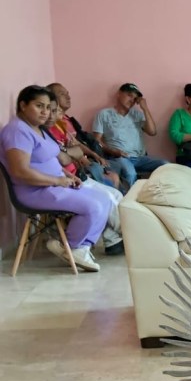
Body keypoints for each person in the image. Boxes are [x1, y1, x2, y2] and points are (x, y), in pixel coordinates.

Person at [1, 86, 112, 272]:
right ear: (23, 105)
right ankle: (71, 245)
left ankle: (80, 247)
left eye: (47, 107)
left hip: (55, 184)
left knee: (105, 199)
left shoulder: (38, 128)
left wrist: (68, 175)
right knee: (93, 206)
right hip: (34, 191)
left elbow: (49, 159)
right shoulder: (17, 131)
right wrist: (58, 181)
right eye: (39, 106)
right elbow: (20, 171)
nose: (45, 112)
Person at [43, 102, 124, 256]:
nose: (54, 114)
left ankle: (113, 240)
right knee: (106, 197)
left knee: (116, 194)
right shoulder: (44, 133)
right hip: (65, 182)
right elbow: (65, 159)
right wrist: (72, 152)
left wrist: (74, 152)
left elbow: (77, 150)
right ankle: (127, 236)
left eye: (56, 110)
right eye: (53, 110)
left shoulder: (61, 126)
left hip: (77, 176)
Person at [46, 83, 119, 189]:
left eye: (68, 93)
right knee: (107, 175)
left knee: (115, 174)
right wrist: (74, 153)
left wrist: (94, 155)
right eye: (62, 94)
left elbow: (76, 146)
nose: (68, 97)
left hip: (82, 164)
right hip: (76, 170)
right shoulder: (48, 129)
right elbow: (64, 157)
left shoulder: (64, 122)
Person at [92, 82, 166, 187]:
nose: (132, 100)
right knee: (130, 173)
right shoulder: (104, 114)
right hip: (118, 158)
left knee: (165, 165)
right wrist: (113, 151)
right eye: (129, 95)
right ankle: (128, 201)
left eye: (135, 98)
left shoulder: (137, 115)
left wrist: (145, 108)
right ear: (119, 94)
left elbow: (152, 132)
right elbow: (96, 141)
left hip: (140, 158)